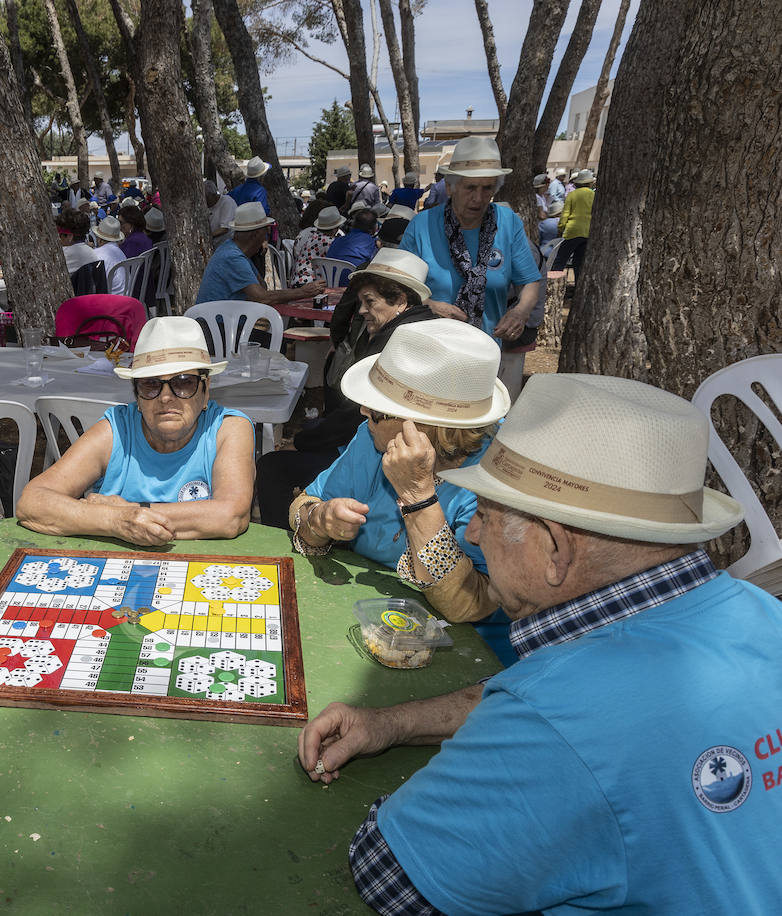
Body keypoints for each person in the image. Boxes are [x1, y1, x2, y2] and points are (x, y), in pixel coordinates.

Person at [297, 373, 780, 916]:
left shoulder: (557, 718)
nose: (473, 535)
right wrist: (394, 723)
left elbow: (389, 875)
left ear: (554, 548)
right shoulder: (765, 612)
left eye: (485, 513)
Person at [290, 318, 512, 656]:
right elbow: (303, 505)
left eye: (379, 409)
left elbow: (469, 604)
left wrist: (417, 497)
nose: (364, 411)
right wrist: (318, 520)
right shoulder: (373, 437)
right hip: (367, 628)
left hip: (468, 655)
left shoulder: (497, 478)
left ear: (425, 427)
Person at [17, 316, 255, 546]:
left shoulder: (228, 428)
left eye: (184, 382)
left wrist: (130, 511)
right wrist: (114, 520)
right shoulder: (117, 430)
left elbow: (231, 515)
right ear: (137, 396)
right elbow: (31, 502)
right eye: (150, 384)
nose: (165, 397)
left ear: (206, 390)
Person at [260, 250, 436, 527]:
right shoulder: (412, 326)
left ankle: (290, 544)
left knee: (271, 466)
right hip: (376, 444)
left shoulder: (397, 341)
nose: (362, 310)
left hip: (383, 453)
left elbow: (356, 414)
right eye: (360, 302)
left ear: (400, 300)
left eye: (369, 302)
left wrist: (303, 441)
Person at [399, 135, 541, 395]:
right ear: (450, 187)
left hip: (484, 357)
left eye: (487, 188)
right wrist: (429, 306)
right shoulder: (422, 226)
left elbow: (529, 281)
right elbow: (397, 290)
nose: (478, 197)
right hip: (428, 354)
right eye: (470, 187)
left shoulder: (507, 223)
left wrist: (520, 312)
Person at [196, 203, 328, 305]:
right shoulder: (232, 256)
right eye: (266, 231)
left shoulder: (237, 252)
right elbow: (261, 297)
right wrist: (303, 292)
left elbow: (262, 288)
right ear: (256, 235)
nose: (267, 235)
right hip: (218, 326)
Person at [550, 168, 596, 277]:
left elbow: (565, 214)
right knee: (578, 262)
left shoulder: (572, 195)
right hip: (588, 232)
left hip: (572, 232)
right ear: (590, 183)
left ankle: (553, 284)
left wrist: (561, 228)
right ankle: (577, 288)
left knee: (560, 260)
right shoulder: (594, 195)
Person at [290, 206, 346, 286]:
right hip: (310, 283)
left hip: (298, 280)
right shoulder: (328, 242)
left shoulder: (314, 236)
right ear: (335, 229)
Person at [56, 207, 100, 275]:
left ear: (69, 237)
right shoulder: (90, 251)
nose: (58, 238)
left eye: (59, 234)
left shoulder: (65, 254)